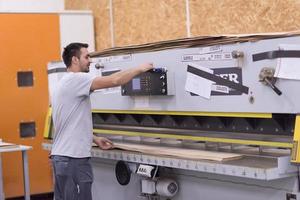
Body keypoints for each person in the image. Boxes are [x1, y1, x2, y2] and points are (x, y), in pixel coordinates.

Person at [50, 42, 153, 200]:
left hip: (62, 158)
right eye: (86, 56)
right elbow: (114, 80)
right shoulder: (77, 79)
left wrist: (95, 138)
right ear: (75, 60)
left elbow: (69, 122)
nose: (90, 60)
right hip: (73, 160)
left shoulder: (62, 83)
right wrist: (139, 68)